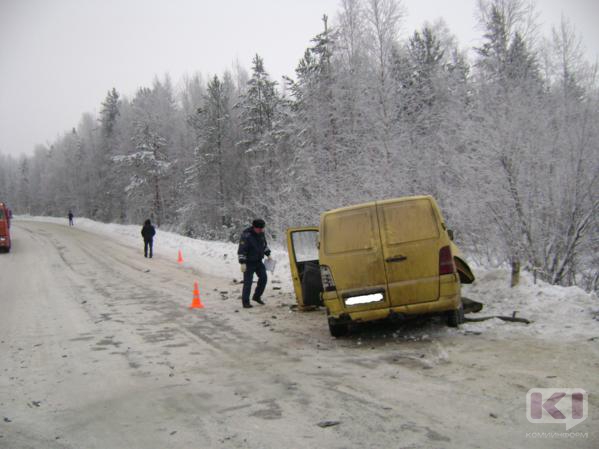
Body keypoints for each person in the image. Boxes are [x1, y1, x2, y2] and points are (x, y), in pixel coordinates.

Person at [237, 218, 271, 308]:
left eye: (262, 228)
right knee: (248, 282)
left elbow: (264, 245)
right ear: (254, 227)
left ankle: (256, 296)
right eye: (259, 228)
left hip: (258, 261)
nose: (261, 230)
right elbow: (242, 250)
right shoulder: (246, 236)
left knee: (264, 278)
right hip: (248, 262)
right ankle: (245, 302)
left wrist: (268, 254)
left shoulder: (261, 234)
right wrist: (242, 262)